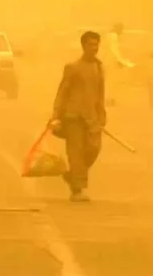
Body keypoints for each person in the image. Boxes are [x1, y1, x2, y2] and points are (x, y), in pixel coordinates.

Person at [49, 30, 106, 202]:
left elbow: (100, 94)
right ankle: (77, 190)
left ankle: (73, 175)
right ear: (83, 46)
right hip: (73, 117)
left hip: (92, 118)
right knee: (75, 153)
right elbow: (62, 92)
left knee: (93, 149)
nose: (94, 48)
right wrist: (56, 115)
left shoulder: (98, 67)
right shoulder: (73, 68)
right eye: (90, 45)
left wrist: (102, 115)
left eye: (96, 45)